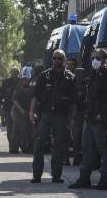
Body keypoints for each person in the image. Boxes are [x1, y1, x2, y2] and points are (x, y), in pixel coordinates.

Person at [69, 49, 107, 190]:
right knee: (87, 149)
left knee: (105, 151)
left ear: (105, 60)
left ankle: (105, 181)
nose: (95, 60)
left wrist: (103, 114)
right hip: (90, 117)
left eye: (98, 58)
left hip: (100, 120)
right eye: (93, 58)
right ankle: (84, 179)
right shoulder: (94, 74)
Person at [29, 50, 77, 183]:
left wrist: (72, 118)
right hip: (45, 114)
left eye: (60, 59)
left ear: (64, 60)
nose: (57, 61)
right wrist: (31, 113)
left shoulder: (70, 78)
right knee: (39, 144)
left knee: (59, 146)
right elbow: (35, 96)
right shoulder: (44, 76)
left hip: (61, 116)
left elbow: (74, 101)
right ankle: (36, 175)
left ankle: (56, 176)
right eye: (55, 58)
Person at [66, 58, 84, 166]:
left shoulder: (80, 81)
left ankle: (77, 157)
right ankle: (65, 158)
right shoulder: (64, 78)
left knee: (77, 137)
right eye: (68, 64)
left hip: (77, 112)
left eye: (72, 65)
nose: (70, 66)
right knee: (65, 136)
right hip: (66, 112)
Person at [0, 68, 20, 150]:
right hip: (8, 108)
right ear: (11, 73)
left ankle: (16, 145)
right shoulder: (6, 82)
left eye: (16, 72)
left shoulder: (20, 82)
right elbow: (0, 95)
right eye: (13, 72)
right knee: (9, 128)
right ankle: (11, 145)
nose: (14, 74)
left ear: (18, 73)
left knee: (17, 127)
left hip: (18, 109)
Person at [10, 76, 33, 153]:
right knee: (16, 129)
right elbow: (15, 100)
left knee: (26, 130)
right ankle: (14, 148)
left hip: (27, 112)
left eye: (27, 81)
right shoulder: (18, 89)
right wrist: (21, 109)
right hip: (18, 112)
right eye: (24, 81)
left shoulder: (30, 90)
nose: (26, 82)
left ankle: (25, 147)